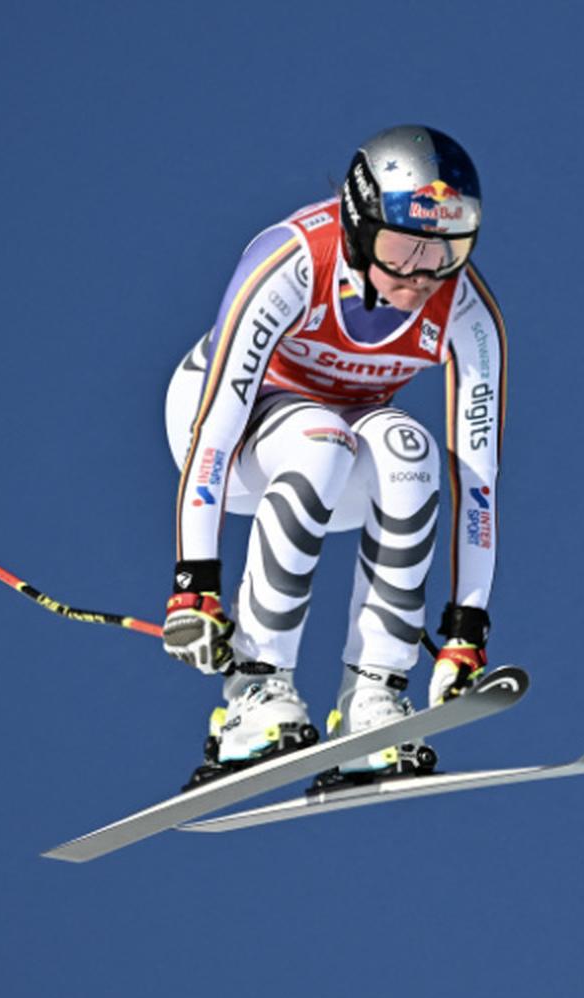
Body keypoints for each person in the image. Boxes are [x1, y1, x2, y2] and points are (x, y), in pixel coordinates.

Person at [160, 125, 505, 785]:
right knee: (321, 439)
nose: (420, 275)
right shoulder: (292, 260)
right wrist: (193, 584)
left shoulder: (463, 309)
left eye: (446, 251)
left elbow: (477, 478)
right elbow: (214, 428)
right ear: (357, 223)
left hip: (338, 449)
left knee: (410, 447)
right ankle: (258, 695)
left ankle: (375, 695)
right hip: (225, 433)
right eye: (402, 247)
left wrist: (467, 627)